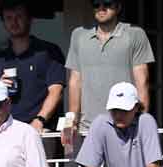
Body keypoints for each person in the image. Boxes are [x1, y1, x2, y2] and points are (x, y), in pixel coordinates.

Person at [63, 1, 154, 154]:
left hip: (124, 124)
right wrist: (71, 120)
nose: (101, 8)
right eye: (96, 4)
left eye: (107, 3)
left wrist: (141, 122)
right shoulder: (78, 35)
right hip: (88, 128)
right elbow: (75, 81)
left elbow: (142, 81)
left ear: (118, 7)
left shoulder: (135, 34)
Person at [0, 1, 67, 137]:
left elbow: (56, 91)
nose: (14, 22)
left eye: (19, 17)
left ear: (30, 19)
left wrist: (39, 120)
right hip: (6, 132)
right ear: (3, 22)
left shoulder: (48, 52)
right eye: (9, 18)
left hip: (42, 130)